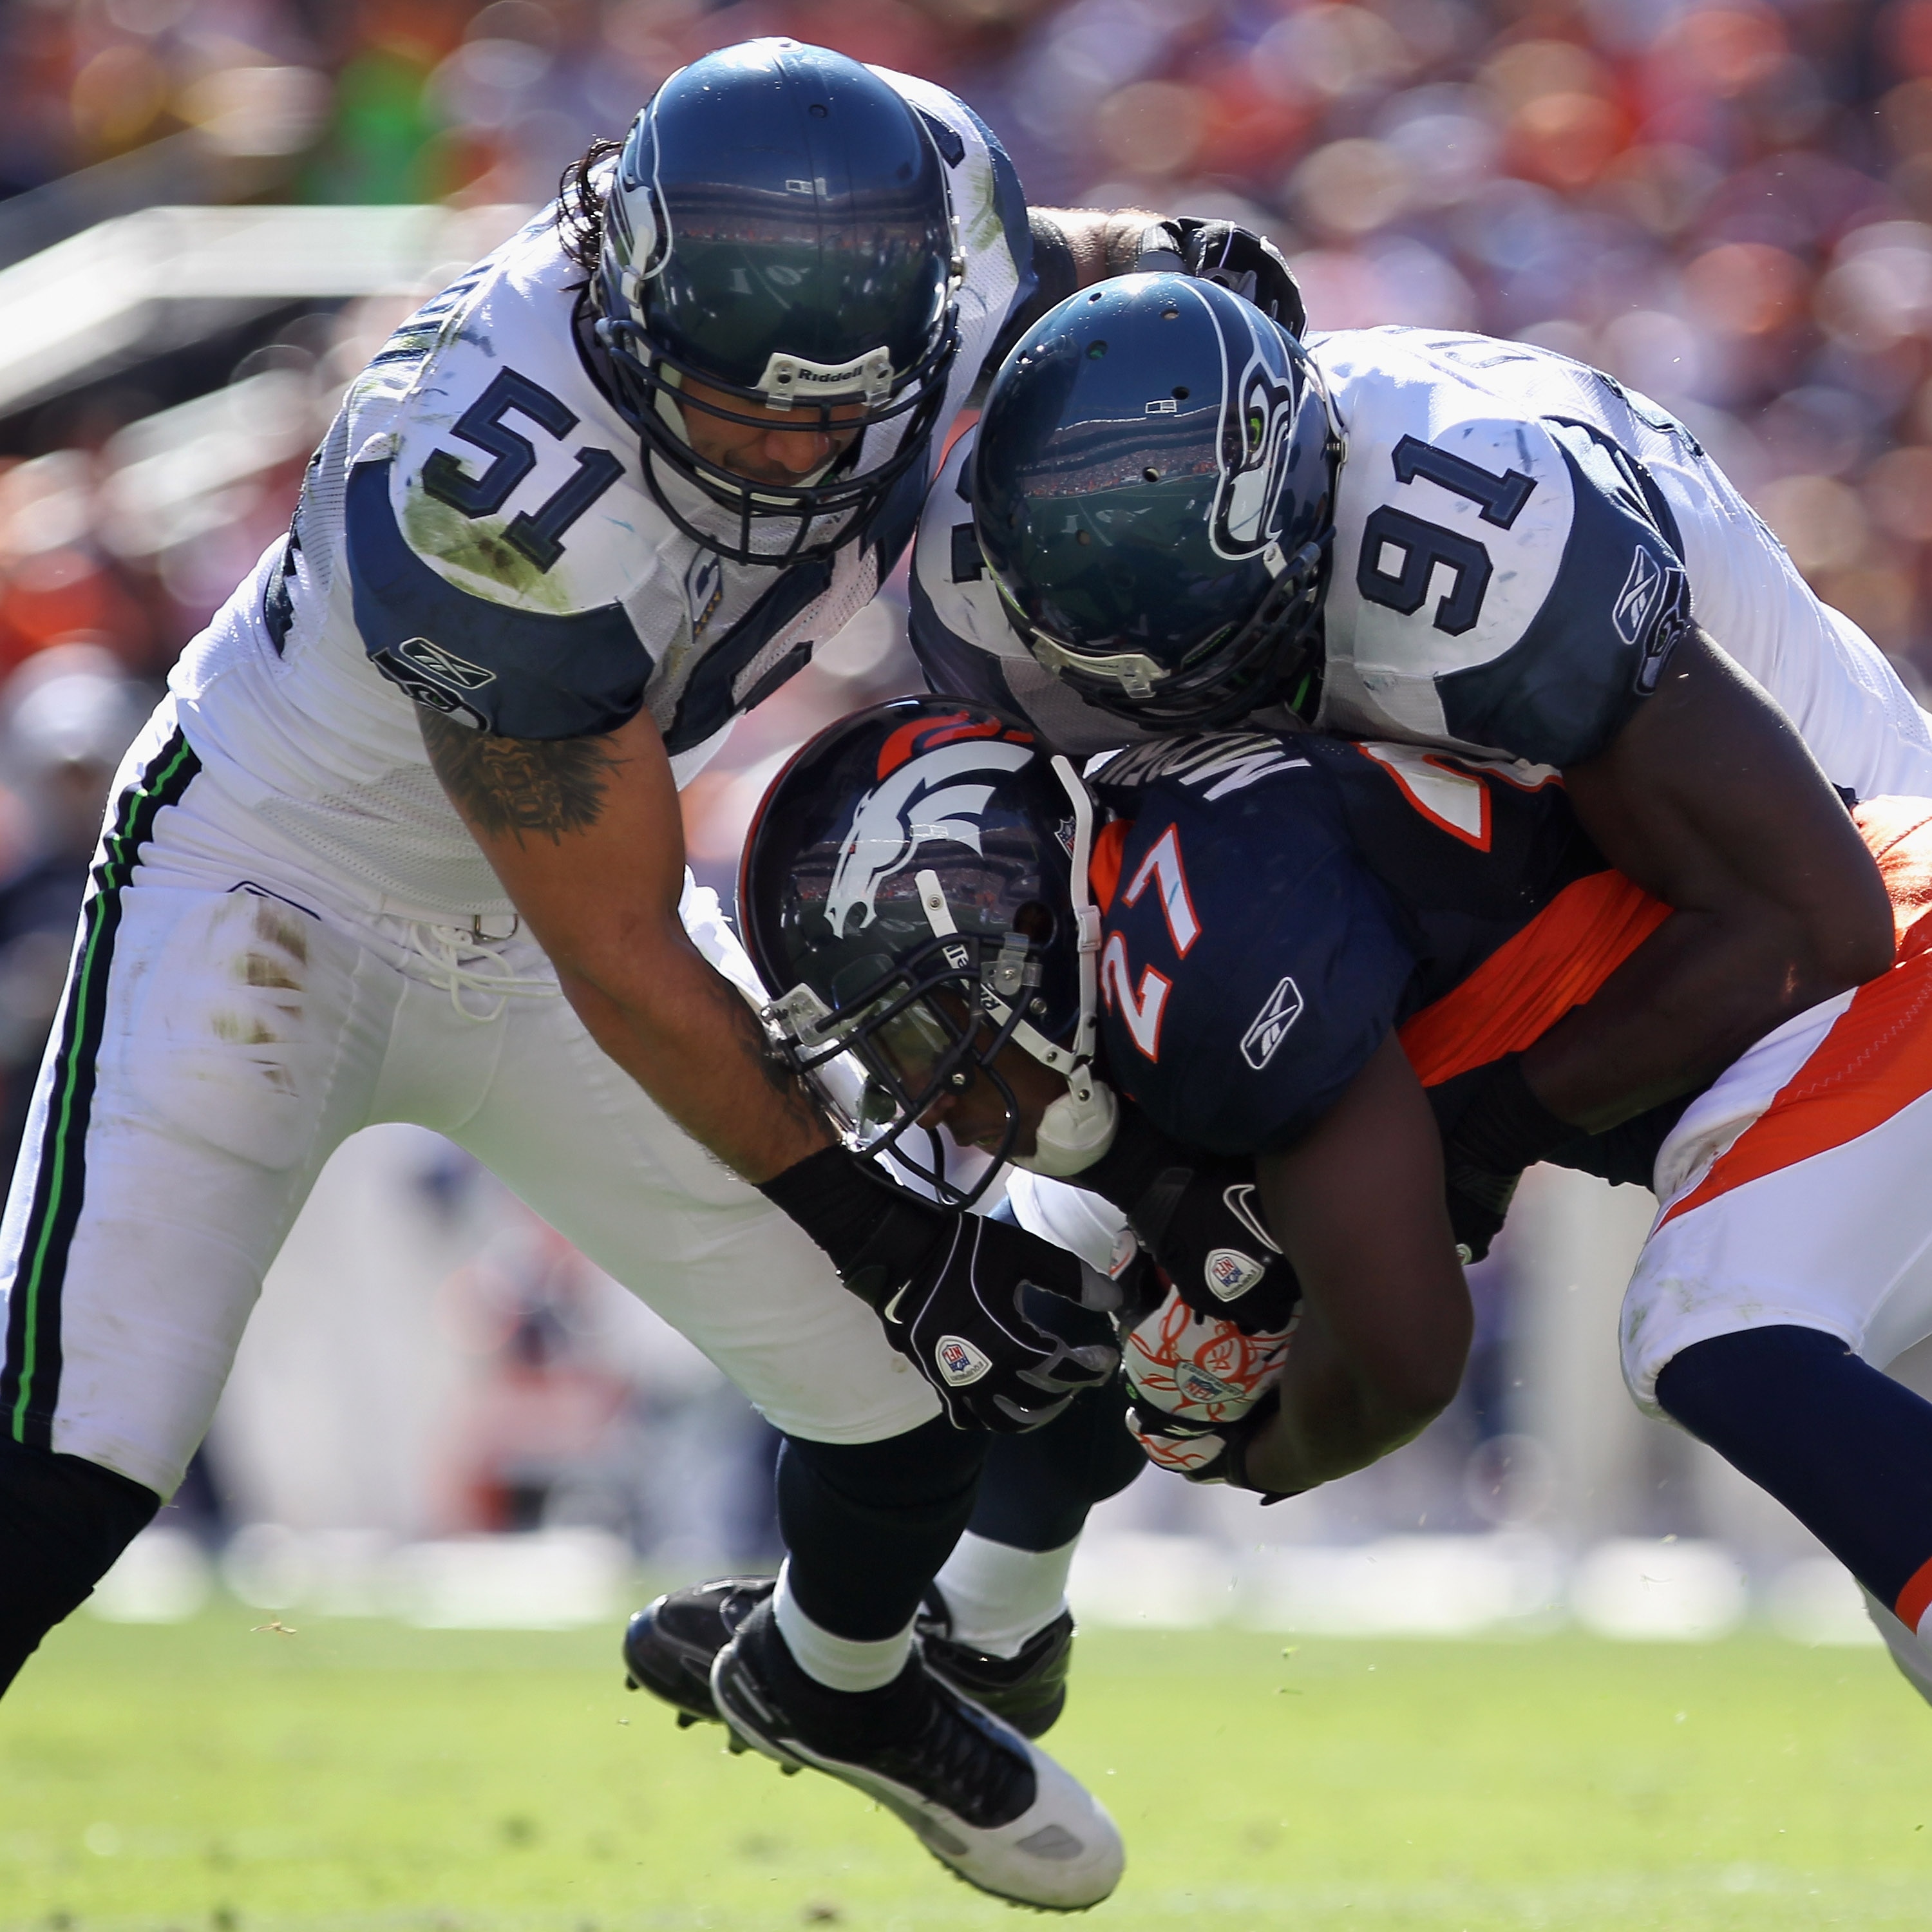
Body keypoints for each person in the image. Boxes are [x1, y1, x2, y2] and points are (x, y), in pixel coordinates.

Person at [0, 44, 1302, 1911]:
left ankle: (835, 1686)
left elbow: (1054, 257)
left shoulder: (937, 209)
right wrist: (896, 1239)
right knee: (76, 1441)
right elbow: (614, 945)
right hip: (273, 884)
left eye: (827, 418)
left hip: (551, 925)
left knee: (905, 1408)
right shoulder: (488, 476)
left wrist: (1167, 267)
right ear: (623, 294)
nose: (781, 453)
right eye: (735, 408)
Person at [731, 694, 1932, 1710]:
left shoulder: (1191, 966)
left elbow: (1410, 1357)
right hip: (1853, 1031)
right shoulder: (1150, 887)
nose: (927, 1097)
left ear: (1018, 928)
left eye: (921, 1036)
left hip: (1876, 983)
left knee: (1708, 1330)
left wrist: (1257, 1449)